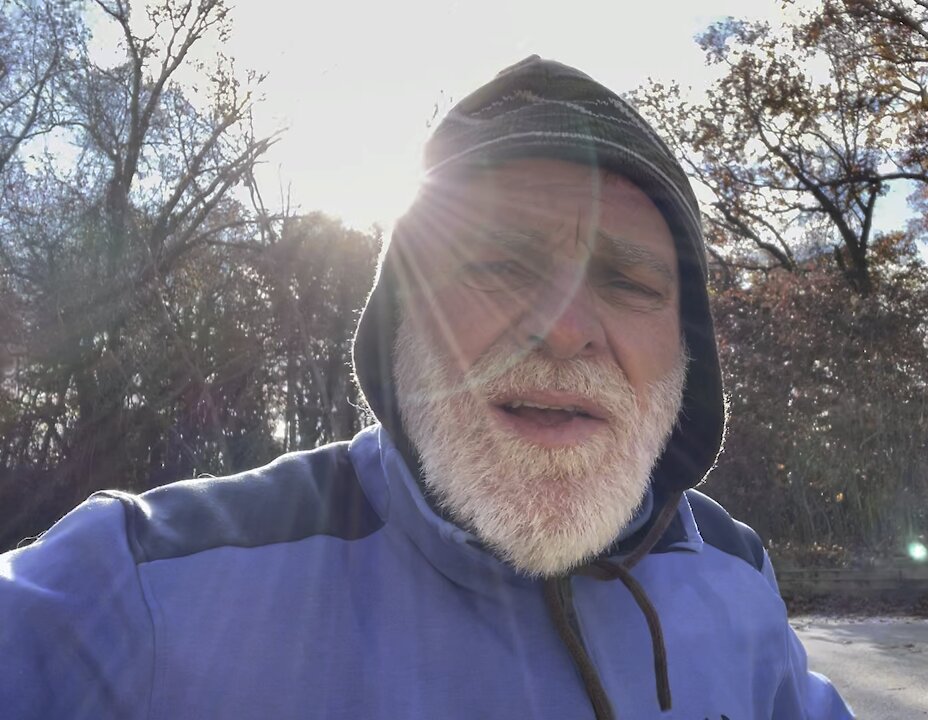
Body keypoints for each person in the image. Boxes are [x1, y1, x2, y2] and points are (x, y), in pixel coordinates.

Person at [0, 56, 854, 719]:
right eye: (498, 265)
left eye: (628, 282)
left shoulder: (736, 576)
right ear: (400, 318)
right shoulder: (147, 581)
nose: (563, 328)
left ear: (686, 353)